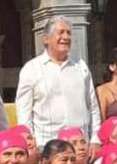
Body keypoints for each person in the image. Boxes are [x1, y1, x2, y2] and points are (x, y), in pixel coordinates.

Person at [15, 16, 102, 147]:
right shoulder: (31, 69)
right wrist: (29, 142)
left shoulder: (80, 66)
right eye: (60, 32)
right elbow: (24, 112)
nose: (66, 37)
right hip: (47, 145)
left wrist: (95, 138)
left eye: (69, 33)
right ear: (46, 39)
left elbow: (92, 106)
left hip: (80, 145)